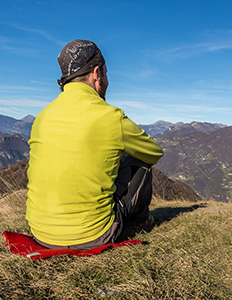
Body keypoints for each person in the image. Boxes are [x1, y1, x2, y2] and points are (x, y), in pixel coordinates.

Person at [26, 39, 164, 250]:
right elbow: (153, 153)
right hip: (94, 234)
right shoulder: (110, 116)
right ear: (97, 73)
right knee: (139, 162)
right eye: (107, 73)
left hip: (41, 234)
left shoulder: (42, 116)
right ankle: (140, 221)